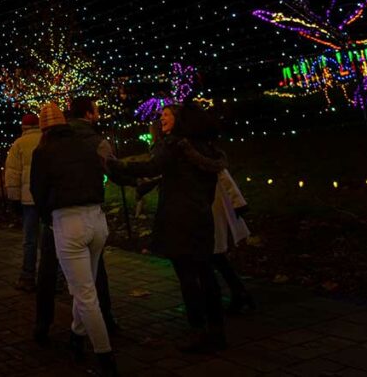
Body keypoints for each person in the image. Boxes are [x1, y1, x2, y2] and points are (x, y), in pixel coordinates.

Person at [106, 104, 228, 353]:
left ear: (180, 119)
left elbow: (152, 166)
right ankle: (217, 330)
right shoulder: (205, 147)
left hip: (179, 219)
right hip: (201, 216)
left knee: (187, 276)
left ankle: (198, 330)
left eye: (167, 115)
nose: (162, 118)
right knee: (205, 272)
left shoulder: (175, 145)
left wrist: (118, 165)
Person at [30, 103, 118, 376]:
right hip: (96, 220)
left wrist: (49, 218)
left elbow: (38, 191)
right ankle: (77, 337)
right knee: (86, 285)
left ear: (44, 129)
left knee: (84, 294)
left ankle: (105, 357)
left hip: (68, 222)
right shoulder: (84, 145)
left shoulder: (43, 152)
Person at [67, 97, 119, 334]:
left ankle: (72, 331)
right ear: (88, 114)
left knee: (76, 280)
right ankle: (100, 332)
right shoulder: (96, 142)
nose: (98, 113)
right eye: (96, 110)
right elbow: (115, 169)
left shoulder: (56, 141)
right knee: (94, 277)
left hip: (62, 217)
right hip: (92, 213)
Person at [4, 112, 42, 291]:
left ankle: (27, 276)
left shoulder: (18, 144)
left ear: (23, 127)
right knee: (52, 239)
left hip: (28, 200)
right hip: (46, 197)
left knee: (30, 239)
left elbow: (13, 174)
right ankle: (58, 278)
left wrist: (14, 199)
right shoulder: (46, 139)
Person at [213, 169, 255, 313]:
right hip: (203, 202)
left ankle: (237, 293)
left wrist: (237, 201)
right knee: (213, 254)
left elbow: (221, 173)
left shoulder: (204, 153)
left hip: (208, 203)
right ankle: (239, 292)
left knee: (213, 253)